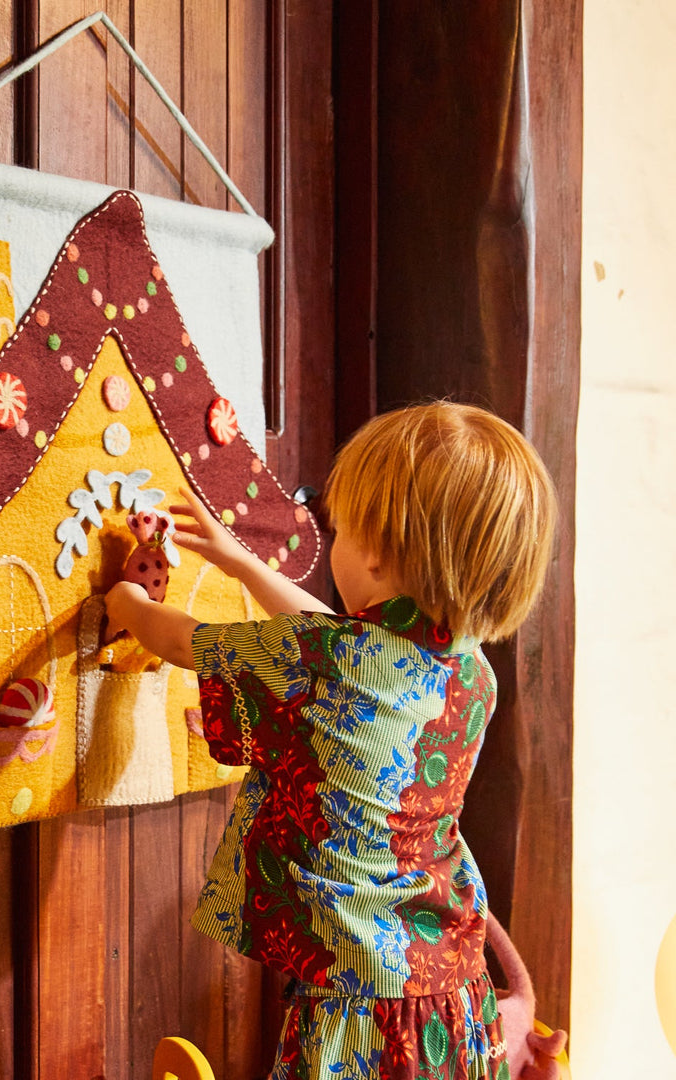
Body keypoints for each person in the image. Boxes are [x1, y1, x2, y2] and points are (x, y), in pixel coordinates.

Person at [104, 400, 557, 1080]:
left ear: (375, 553)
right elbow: (346, 643)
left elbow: (185, 641)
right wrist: (244, 567)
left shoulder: (325, 659)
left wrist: (126, 605)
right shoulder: (471, 673)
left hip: (358, 1000)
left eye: (341, 530)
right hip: (450, 988)